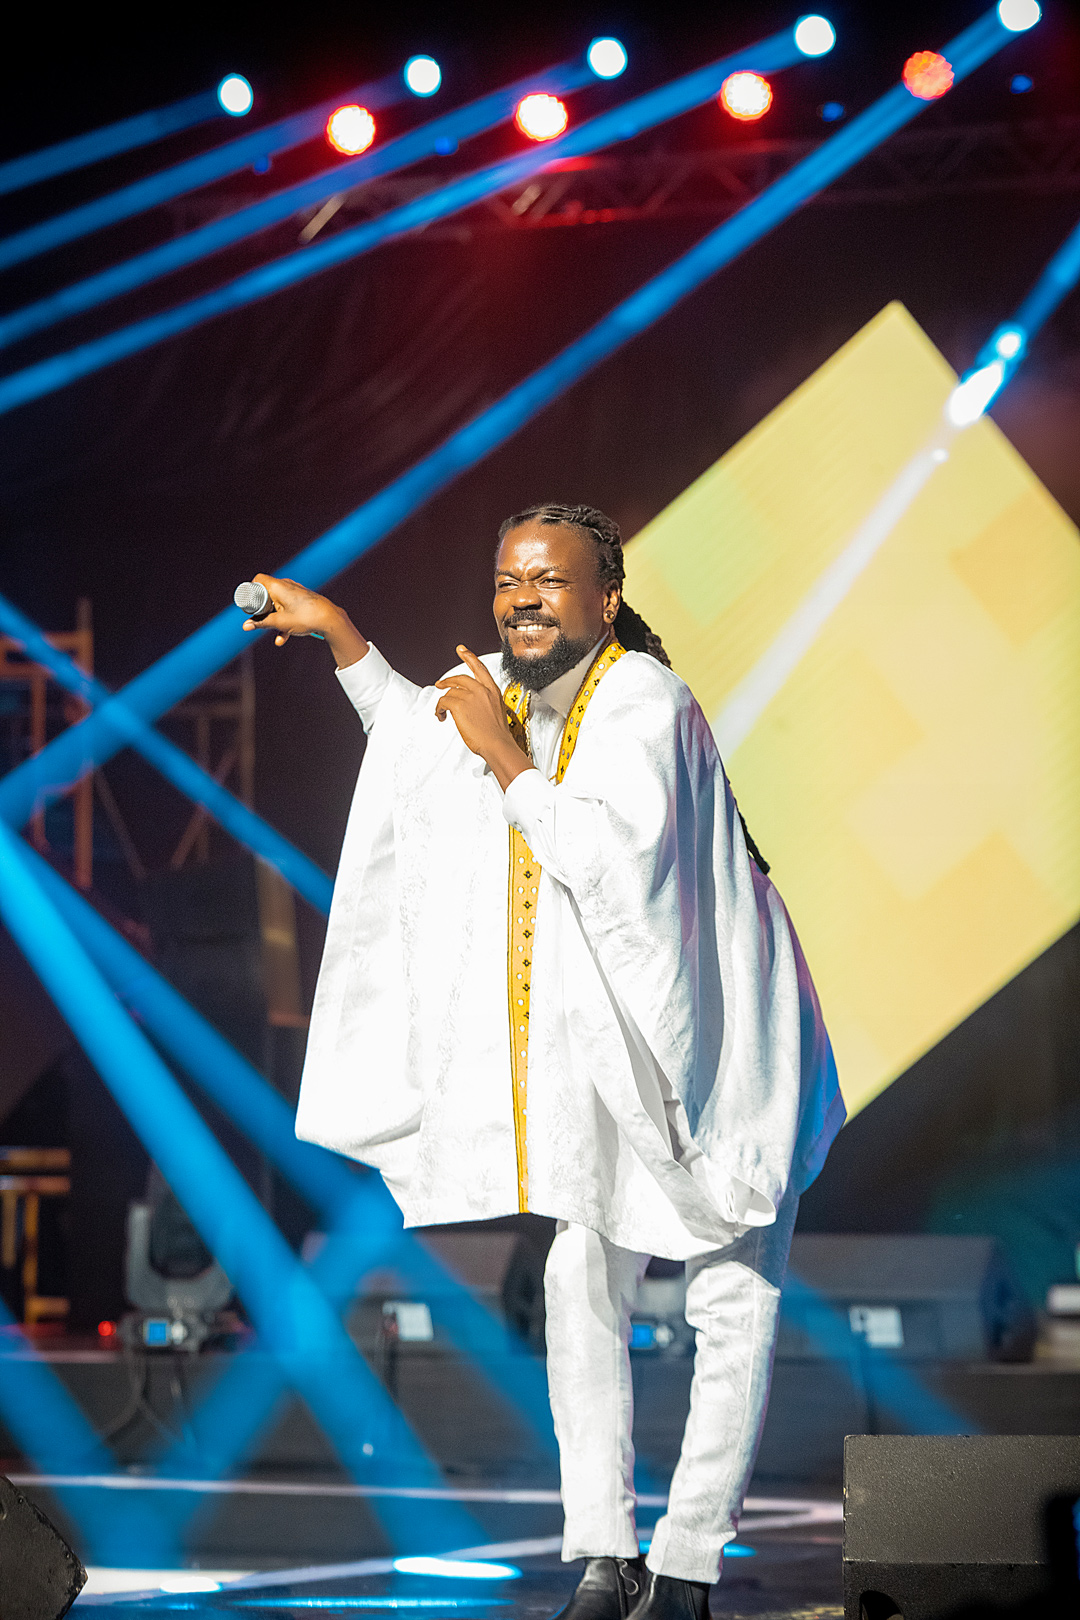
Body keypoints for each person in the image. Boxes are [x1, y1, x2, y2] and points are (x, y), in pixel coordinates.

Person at [245, 503, 844, 1620]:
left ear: (605, 599)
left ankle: (688, 1568)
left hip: (718, 1048)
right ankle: (605, 1557)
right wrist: (340, 635)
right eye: (508, 581)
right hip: (613, 1059)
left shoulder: (646, 700)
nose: (523, 600)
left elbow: (608, 862)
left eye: (549, 580)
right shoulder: (512, 698)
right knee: (580, 1277)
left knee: (729, 1295)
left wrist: (501, 753)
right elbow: (417, 748)